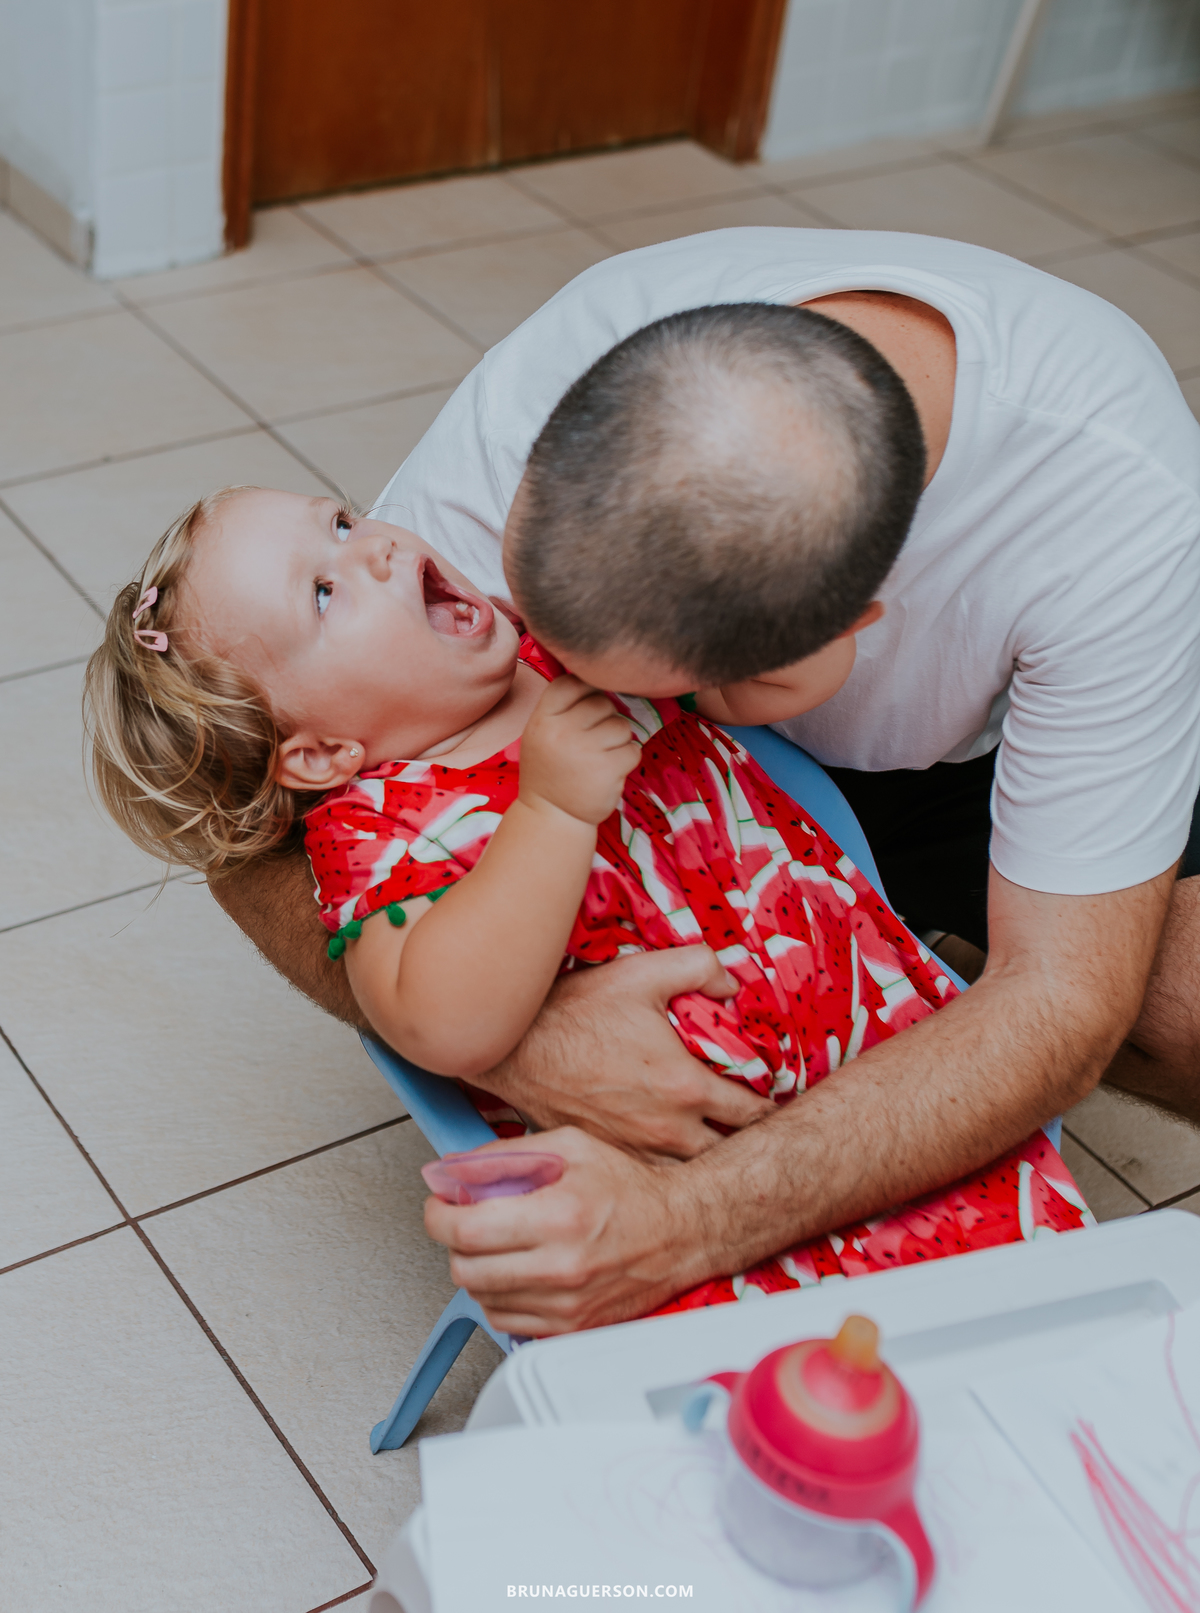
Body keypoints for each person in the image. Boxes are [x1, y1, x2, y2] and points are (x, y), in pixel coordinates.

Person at [210, 228, 1200, 1337]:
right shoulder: (551, 397)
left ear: (809, 664)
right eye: (545, 642)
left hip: (985, 760)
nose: (545, 689)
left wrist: (689, 1217)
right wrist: (523, 1039)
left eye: (606, 682)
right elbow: (244, 820)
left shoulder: (1121, 517)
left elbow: (1064, 1004)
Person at [83, 464, 1089, 1319]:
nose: (375, 549)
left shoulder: (547, 638)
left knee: (1026, 1302)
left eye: (342, 523)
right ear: (323, 751)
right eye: (323, 593)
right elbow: (441, 1022)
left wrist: (793, 648)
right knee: (819, 1410)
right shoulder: (377, 834)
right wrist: (551, 812)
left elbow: (729, 700)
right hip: (681, 1160)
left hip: (873, 1048)